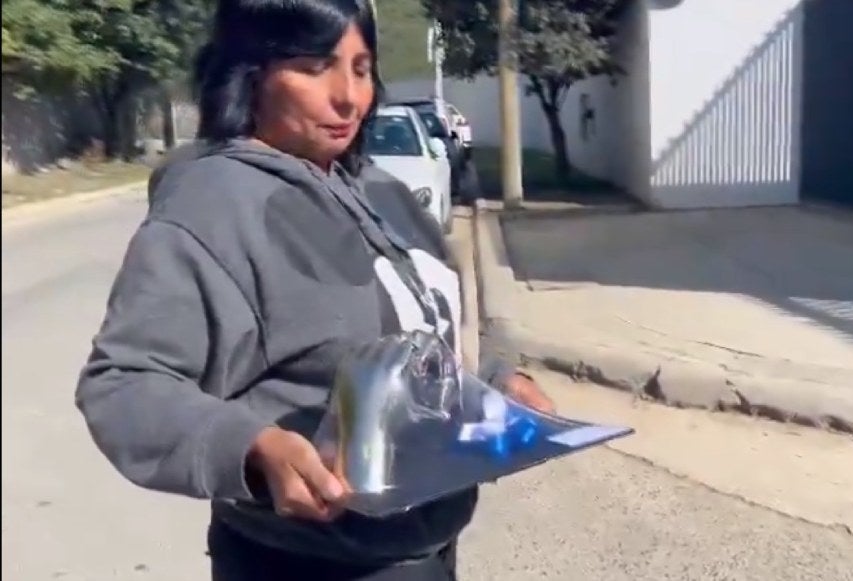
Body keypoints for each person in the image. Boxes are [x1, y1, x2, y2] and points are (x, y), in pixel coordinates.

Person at [73, 1, 554, 579]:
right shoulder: (213, 207)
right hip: (305, 563)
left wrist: (493, 385)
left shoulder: (382, 193)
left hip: (426, 550)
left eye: (361, 68)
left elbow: (413, 335)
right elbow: (123, 382)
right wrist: (252, 446)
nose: (348, 96)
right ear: (251, 73)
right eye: (313, 67)